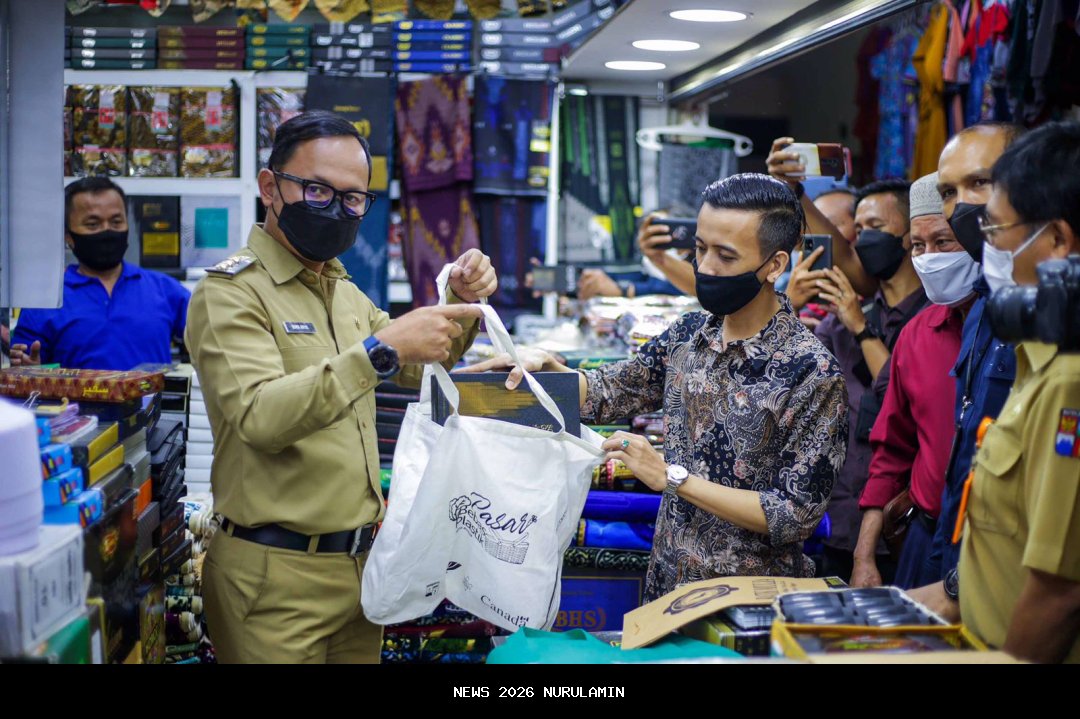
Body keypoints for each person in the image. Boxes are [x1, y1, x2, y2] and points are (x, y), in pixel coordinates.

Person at [185, 111, 496, 664]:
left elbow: (421, 366)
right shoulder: (231, 294)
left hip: (356, 572)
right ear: (269, 188)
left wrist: (465, 305)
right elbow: (261, 417)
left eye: (353, 198)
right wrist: (381, 350)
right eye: (316, 189)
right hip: (272, 579)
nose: (336, 208)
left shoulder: (341, 290)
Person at [464, 174, 848, 602]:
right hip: (667, 588)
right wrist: (539, 370)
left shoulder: (811, 371)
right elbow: (611, 390)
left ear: (774, 265)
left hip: (749, 602)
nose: (706, 268)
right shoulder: (689, 334)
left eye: (726, 255)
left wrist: (672, 477)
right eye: (699, 249)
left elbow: (793, 515)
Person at [953, 121, 1080, 663]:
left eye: (997, 230)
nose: (990, 249)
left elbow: (1060, 592)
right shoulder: (1038, 360)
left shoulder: (1069, 381)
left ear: (1056, 240)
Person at [908, 122, 1027, 614]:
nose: (964, 205)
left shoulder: (1051, 316)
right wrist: (948, 583)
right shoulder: (983, 306)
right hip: (960, 575)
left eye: (980, 183)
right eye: (949, 192)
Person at [852, 173, 982, 589]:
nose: (930, 257)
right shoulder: (917, 335)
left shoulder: (1011, 334)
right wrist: (864, 555)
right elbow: (892, 449)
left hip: (991, 547)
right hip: (924, 539)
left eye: (944, 243)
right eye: (919, 246)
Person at [813, 178, 930, 582]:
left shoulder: (934, 322)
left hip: (901, 527)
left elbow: (903, 396)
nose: (864, 240)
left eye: (876, 228)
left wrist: (861, 328)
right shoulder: (840, 321)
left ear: (908, 237)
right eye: (858, 230)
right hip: (837, 521)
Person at [10, 177, 190, 370]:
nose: (107, 231)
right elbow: (25, 371)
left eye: (116, 221)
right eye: (93, 224)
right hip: (70, 401)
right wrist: (29, 369)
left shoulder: (166, 290)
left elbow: (209, 342)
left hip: (152, 401)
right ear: (68, 235)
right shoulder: (45, 300)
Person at [573, 210, 696, 300]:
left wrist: (624, 290)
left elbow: (670, 288)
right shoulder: (650, 270)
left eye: (660, 236)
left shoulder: (699, 271)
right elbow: (637, 278)